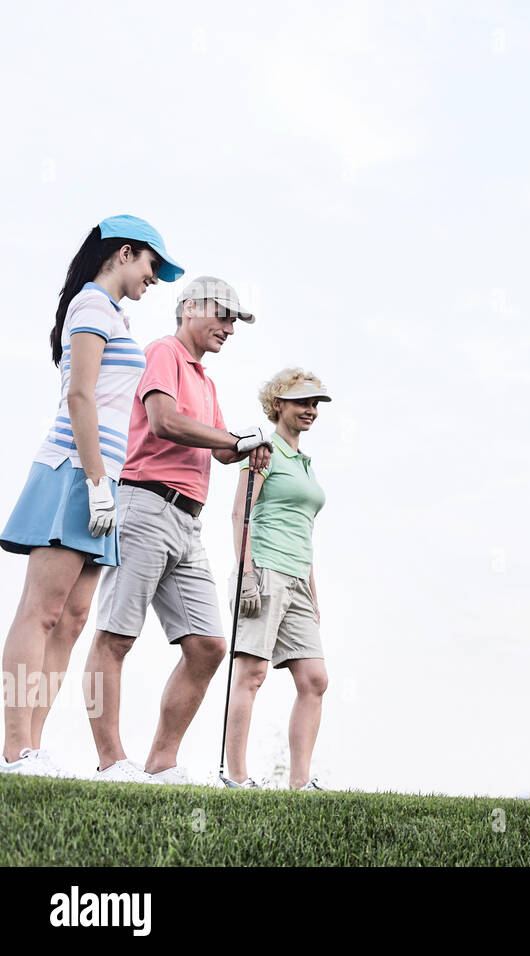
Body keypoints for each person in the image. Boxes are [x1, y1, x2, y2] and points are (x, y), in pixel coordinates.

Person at [0, 216, 183, 778]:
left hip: (100, 476)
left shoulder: (116, 316)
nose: (155, 279)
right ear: (124, 253)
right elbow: (79, 398)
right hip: (74, 474)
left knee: (74, 616)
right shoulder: (91, 306)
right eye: (153, 266)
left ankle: (33, 746)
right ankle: (14, 749)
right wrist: (100, 484)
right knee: (42, 610)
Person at [83, 276, 272, 784]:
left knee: (209, 646)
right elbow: (163, 421)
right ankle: (110, 762)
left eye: (236, 321)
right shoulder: (164, 351)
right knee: (116, 636)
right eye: (224, 315)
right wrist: (232, 438)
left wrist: (248, 447)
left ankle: (160, 763)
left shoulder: (206, 381)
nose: (230, 328)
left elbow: (218, 447)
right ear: (189, 308)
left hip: (187, 522)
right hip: (145, 505)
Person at [221, 369, 331, 792]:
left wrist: (312, 589)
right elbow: (239, 514)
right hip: (264, 570)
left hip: (299, 580)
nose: (311, 410)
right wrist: (246, 573)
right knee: (251, 672)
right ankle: (236, 776)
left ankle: (300, 783)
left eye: (316, 404)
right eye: (303, 402)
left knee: (315, 679)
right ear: (279, 404)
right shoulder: (265, 452)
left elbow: (303, 529)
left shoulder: (305, 464)